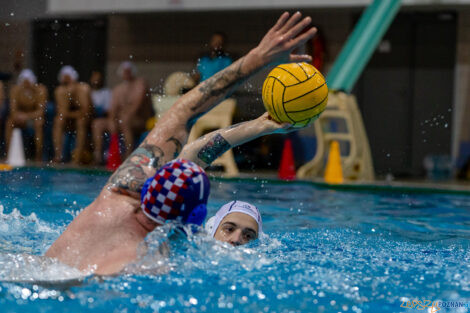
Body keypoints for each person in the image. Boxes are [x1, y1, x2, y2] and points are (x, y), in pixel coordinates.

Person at [45, 12, 316, 275]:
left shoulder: (117, 195)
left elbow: (183, 113)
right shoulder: (149, 264)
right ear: (199, 220)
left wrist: (257, 59)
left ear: (147, 185)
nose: (235, 238)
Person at [108, 61, 154, 158]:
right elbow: (113, 110)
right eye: (124, 71)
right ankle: (98, 156)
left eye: (128, 71)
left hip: (140, 121)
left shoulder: (140, 84)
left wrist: (123, 118)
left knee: (125, 121)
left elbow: (136, 107)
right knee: (98, 124)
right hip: (123, 120)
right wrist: (112, 121)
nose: (126, 74)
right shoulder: (118, 89)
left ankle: (128, 155)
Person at [6, 69, 47, 161]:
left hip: (34, 119)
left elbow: (41, 111)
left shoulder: (40, 90)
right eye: (24, 82)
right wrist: (20, 116)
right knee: (10, 122)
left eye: (28, 82)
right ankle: (9, 154)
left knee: (39, 123)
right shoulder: (15, 90)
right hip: (21, 119)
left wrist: (26, 116)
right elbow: (13, 110)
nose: (26, 85)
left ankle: (38, 156)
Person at [53, 65, 91, 164]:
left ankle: (77, 157)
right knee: (59, 121)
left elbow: (86, 112)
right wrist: (68, 95)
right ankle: (58, 155)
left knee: (81, 122)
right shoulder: (60, 91)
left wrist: (73, 114)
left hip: (86, 120)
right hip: (70, 119)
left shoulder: (83, 89)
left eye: (69, 79)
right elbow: (62, 112)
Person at [89, 70, 112, 164]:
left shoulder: (106, 93)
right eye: (95, 78)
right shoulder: (87, 92)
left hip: (100, 120)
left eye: (98, 79)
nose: (96, 81)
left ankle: (98, 156)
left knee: (97, 124)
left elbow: (108, 112)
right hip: (88, 119)